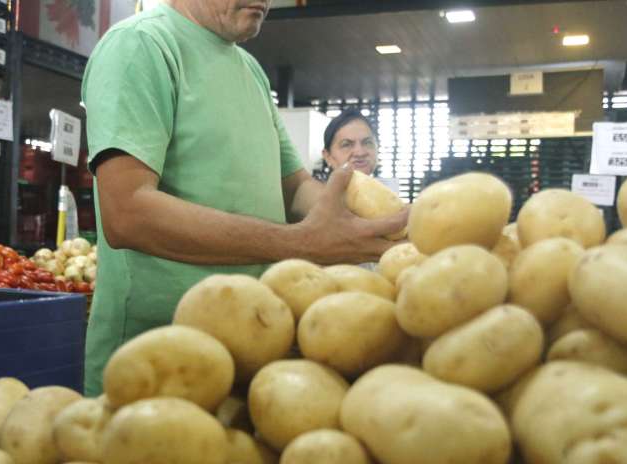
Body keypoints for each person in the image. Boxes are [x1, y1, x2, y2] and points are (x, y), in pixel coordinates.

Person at [80, 0, 407, 396]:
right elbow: (128, 214)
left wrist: (362, 219)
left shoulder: (250, 70)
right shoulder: (140, 45)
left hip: (252, 348)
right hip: (157, 364)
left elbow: (297, 186)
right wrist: (303, 243)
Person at [322, 109, 379, 176]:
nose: (360, 153)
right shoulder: (317, 186)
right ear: (328, 157)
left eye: (367, 143)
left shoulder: (389, 186)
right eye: (346, 145)